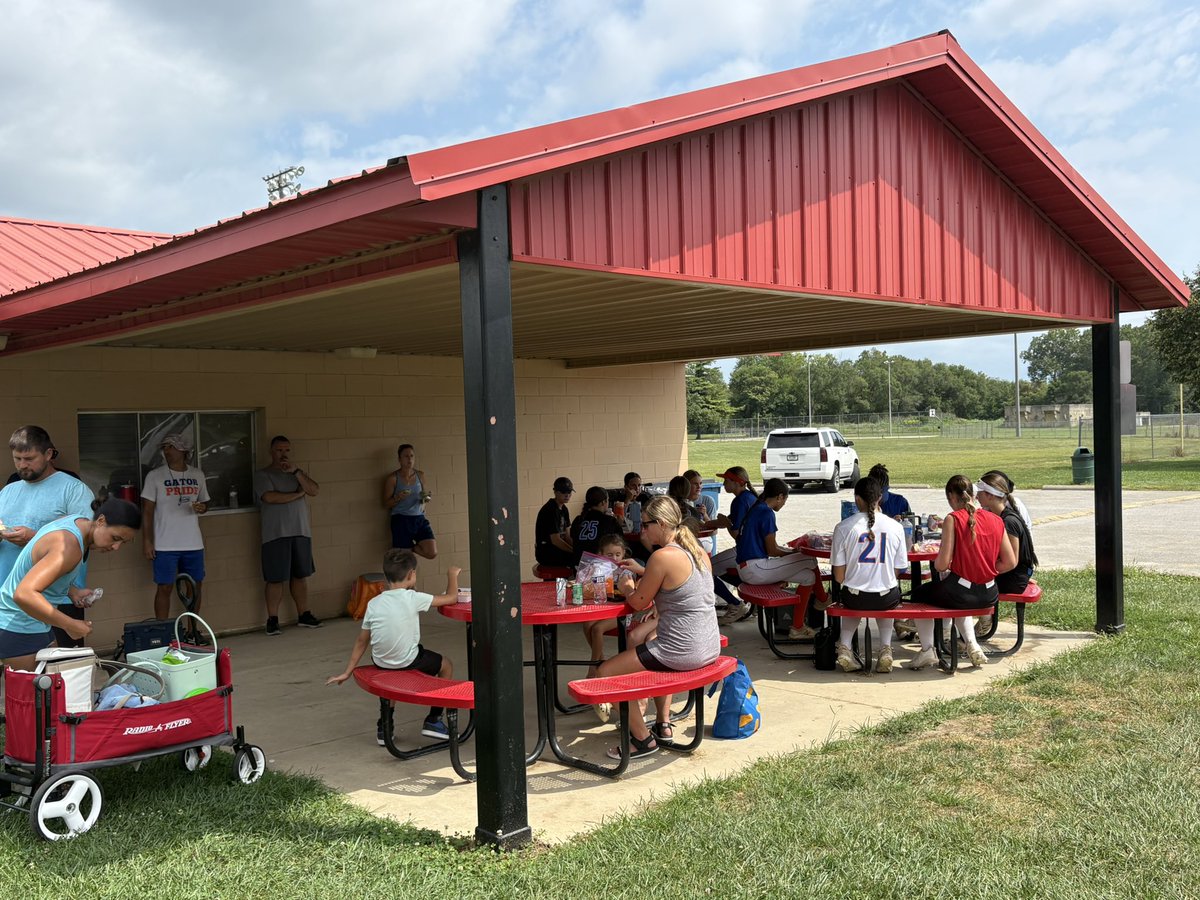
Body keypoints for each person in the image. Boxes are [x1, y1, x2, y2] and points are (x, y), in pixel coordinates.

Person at [596, 496, 720, 759]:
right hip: (709, 645)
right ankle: (658, 724)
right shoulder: (697, 551)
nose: (643, 531)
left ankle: (642, 740)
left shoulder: (662, 556)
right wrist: (643, 573)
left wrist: (628, 586)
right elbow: (679, 585)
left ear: (662, 524)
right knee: (637, 647)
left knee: (606, 673)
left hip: (682, 650)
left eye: (646, 525)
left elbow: (639, 603)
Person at [326, 549, 461, 744]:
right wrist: (452, 575)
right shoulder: (413, 598)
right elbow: (452, 598)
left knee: (391, 680)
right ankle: (434, 720)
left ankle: (384, 727)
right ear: (411, 575)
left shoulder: (374, 603)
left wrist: (347, 671)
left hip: (381, 662)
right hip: (408, 660)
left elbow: (361, 641)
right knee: (446, 664)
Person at [0, 498, 140, 672]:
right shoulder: (69, 546)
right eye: (115, 538)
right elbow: (24, 594)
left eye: (123, 542)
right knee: (38, 696)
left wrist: (72, 591)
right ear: (101, 521)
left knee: (57, 688)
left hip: (34, 622)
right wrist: (70, 625)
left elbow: (43, 566)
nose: (116, 547)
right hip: (17, 624)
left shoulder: (78, 521)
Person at [0, 426, 95, 648]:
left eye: (29, 458)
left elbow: (87, 539)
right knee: (19, 675)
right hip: (8, 598)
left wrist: (35, 539)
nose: (22, 465)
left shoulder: (74, 490)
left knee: (60, 673)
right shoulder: (7, 492)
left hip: (57, 598)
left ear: (49, 454)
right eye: (17, 459)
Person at [909, 475, 1017, 670]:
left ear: (951, 496)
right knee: (955, 591)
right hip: (989, 593)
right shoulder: (995, 519)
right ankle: (972, 643)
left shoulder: (953, 519)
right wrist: (987, 569)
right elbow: (1010, 562)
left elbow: (941, 566)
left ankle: (927, 649)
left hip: (962, 592)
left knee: (919, 594)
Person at [830, 477, 908, 673]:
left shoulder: (844, 527)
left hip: (855, 597)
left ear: (857, 499)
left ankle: (845, 647)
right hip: (886, 596)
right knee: (886, 591)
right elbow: (900, 568)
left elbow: (839, 577)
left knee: (852, 593)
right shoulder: (896, 527)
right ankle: (885, 648)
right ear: (880, 498)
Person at [736, 478, 829, 639]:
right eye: (785, 499)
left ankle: (797, 627)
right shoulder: (766, 512)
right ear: (779, 497)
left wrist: (790, 552)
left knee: (809, 577)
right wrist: (793, 552)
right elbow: (773, 550)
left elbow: (771, 549)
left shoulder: (757, 507)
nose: (784, 503)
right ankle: (823, 599)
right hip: (755, 568)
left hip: (749, 567)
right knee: (810, 559)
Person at [253, 435, 321, 636]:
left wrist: (297, 472)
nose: (283, 454)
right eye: (279, 450)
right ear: (271, 452)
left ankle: (304, 614)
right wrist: (298, 494)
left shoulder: (297, 474)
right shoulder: (263, 474)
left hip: (300, 531)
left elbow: (314, 490)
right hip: (276, 533)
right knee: (275, 578)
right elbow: (270, 497)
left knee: (300, 575)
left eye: (287, 450)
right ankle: (273, 619)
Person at [141, 432, 209, 629]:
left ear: (184, 450)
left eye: (171, 447)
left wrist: (202, 508)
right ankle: (163, 631)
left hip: (193, 542)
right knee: (165, 586)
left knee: (195, 587)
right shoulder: (155, 476)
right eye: (165, 447)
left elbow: (205, 502)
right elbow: (147, 510)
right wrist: (147, 541)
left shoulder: (197, 474)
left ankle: (192, 630)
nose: (166, 451)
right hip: (165, 543)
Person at [584, 533, 633, 723]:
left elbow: (630, 594)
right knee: (587, 624)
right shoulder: (597, 569)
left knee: (596, 630)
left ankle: (593, 667)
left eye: (617, 554)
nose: (614, 559)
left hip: (621, 615)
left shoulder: (625, 572)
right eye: (609, 555)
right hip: (603, 611)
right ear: (600, 554)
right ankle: (600, 659)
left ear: (623, 554)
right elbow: (589, 590)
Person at [710, 467, 759, 622]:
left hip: (744, 550)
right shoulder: (749, 497)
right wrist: (705, 524)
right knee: (717, 568)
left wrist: (727, 524)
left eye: (726, 480)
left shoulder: (739, 500)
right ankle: (754, 597)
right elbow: (728, 522)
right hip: (755, 549)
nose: (723, 483)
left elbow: (736, 533)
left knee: (705, 570)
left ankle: (735, 603)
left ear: (737, 482)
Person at [976, 473, 1037, 595]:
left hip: (1013, 580)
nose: (977, 497)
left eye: (980, 492)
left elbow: (1010, 563)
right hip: (1011, 576)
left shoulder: (1008, 522)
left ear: (990, 495)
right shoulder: (1002, 515)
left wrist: (982, 572)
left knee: (963, 586)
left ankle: (985, 613)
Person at [383, 444, 436, 559]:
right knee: (405, 560)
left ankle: (411, 547)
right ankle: (406, 549)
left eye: (412, 456)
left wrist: (427, 498)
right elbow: (386, 504)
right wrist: (398, 497)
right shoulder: (392, 478)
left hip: (419, 518)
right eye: (406, 456)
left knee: (432, 552)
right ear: (399, 459)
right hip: (401, 519)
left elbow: (425, 498)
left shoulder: (420, 475)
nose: (409, 459)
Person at [569, 486, 624, 565]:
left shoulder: (578, 520)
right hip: (600, 567)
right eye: (607, 500)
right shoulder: (609, 521)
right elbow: (620, 544)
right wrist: (619, 524)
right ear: (603, 502)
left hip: (578, 565)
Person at [534, 477, 575, 569]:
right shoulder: (550, 510)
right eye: (564, 492)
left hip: (556, 550)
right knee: (577, 560)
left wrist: (579, 549)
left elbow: (568, 536)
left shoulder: (564, 509)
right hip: (546, 553)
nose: (567, 495)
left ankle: (566, 582)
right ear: (555, 492)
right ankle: (562, 583)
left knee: (581, 558)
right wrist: (574, 551)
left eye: (569, 492)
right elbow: (555, 540)